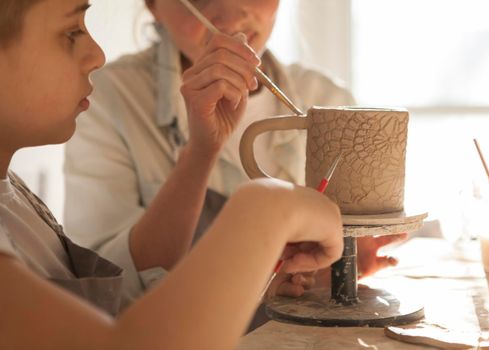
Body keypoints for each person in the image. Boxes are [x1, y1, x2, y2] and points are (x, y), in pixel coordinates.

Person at [0, 0, 344, 348]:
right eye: (72, 31)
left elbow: (107, 304)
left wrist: (267, 285)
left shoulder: (15, 197)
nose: (98, 55)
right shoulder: (113, 99)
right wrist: (269, 207)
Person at [64, 0, 404, 309]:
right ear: (154, 6)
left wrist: (339, 268)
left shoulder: (327, 97)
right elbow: (107, 286)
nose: (233, 15)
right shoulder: (108, 98)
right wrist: (200, 152)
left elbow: (337, 268)